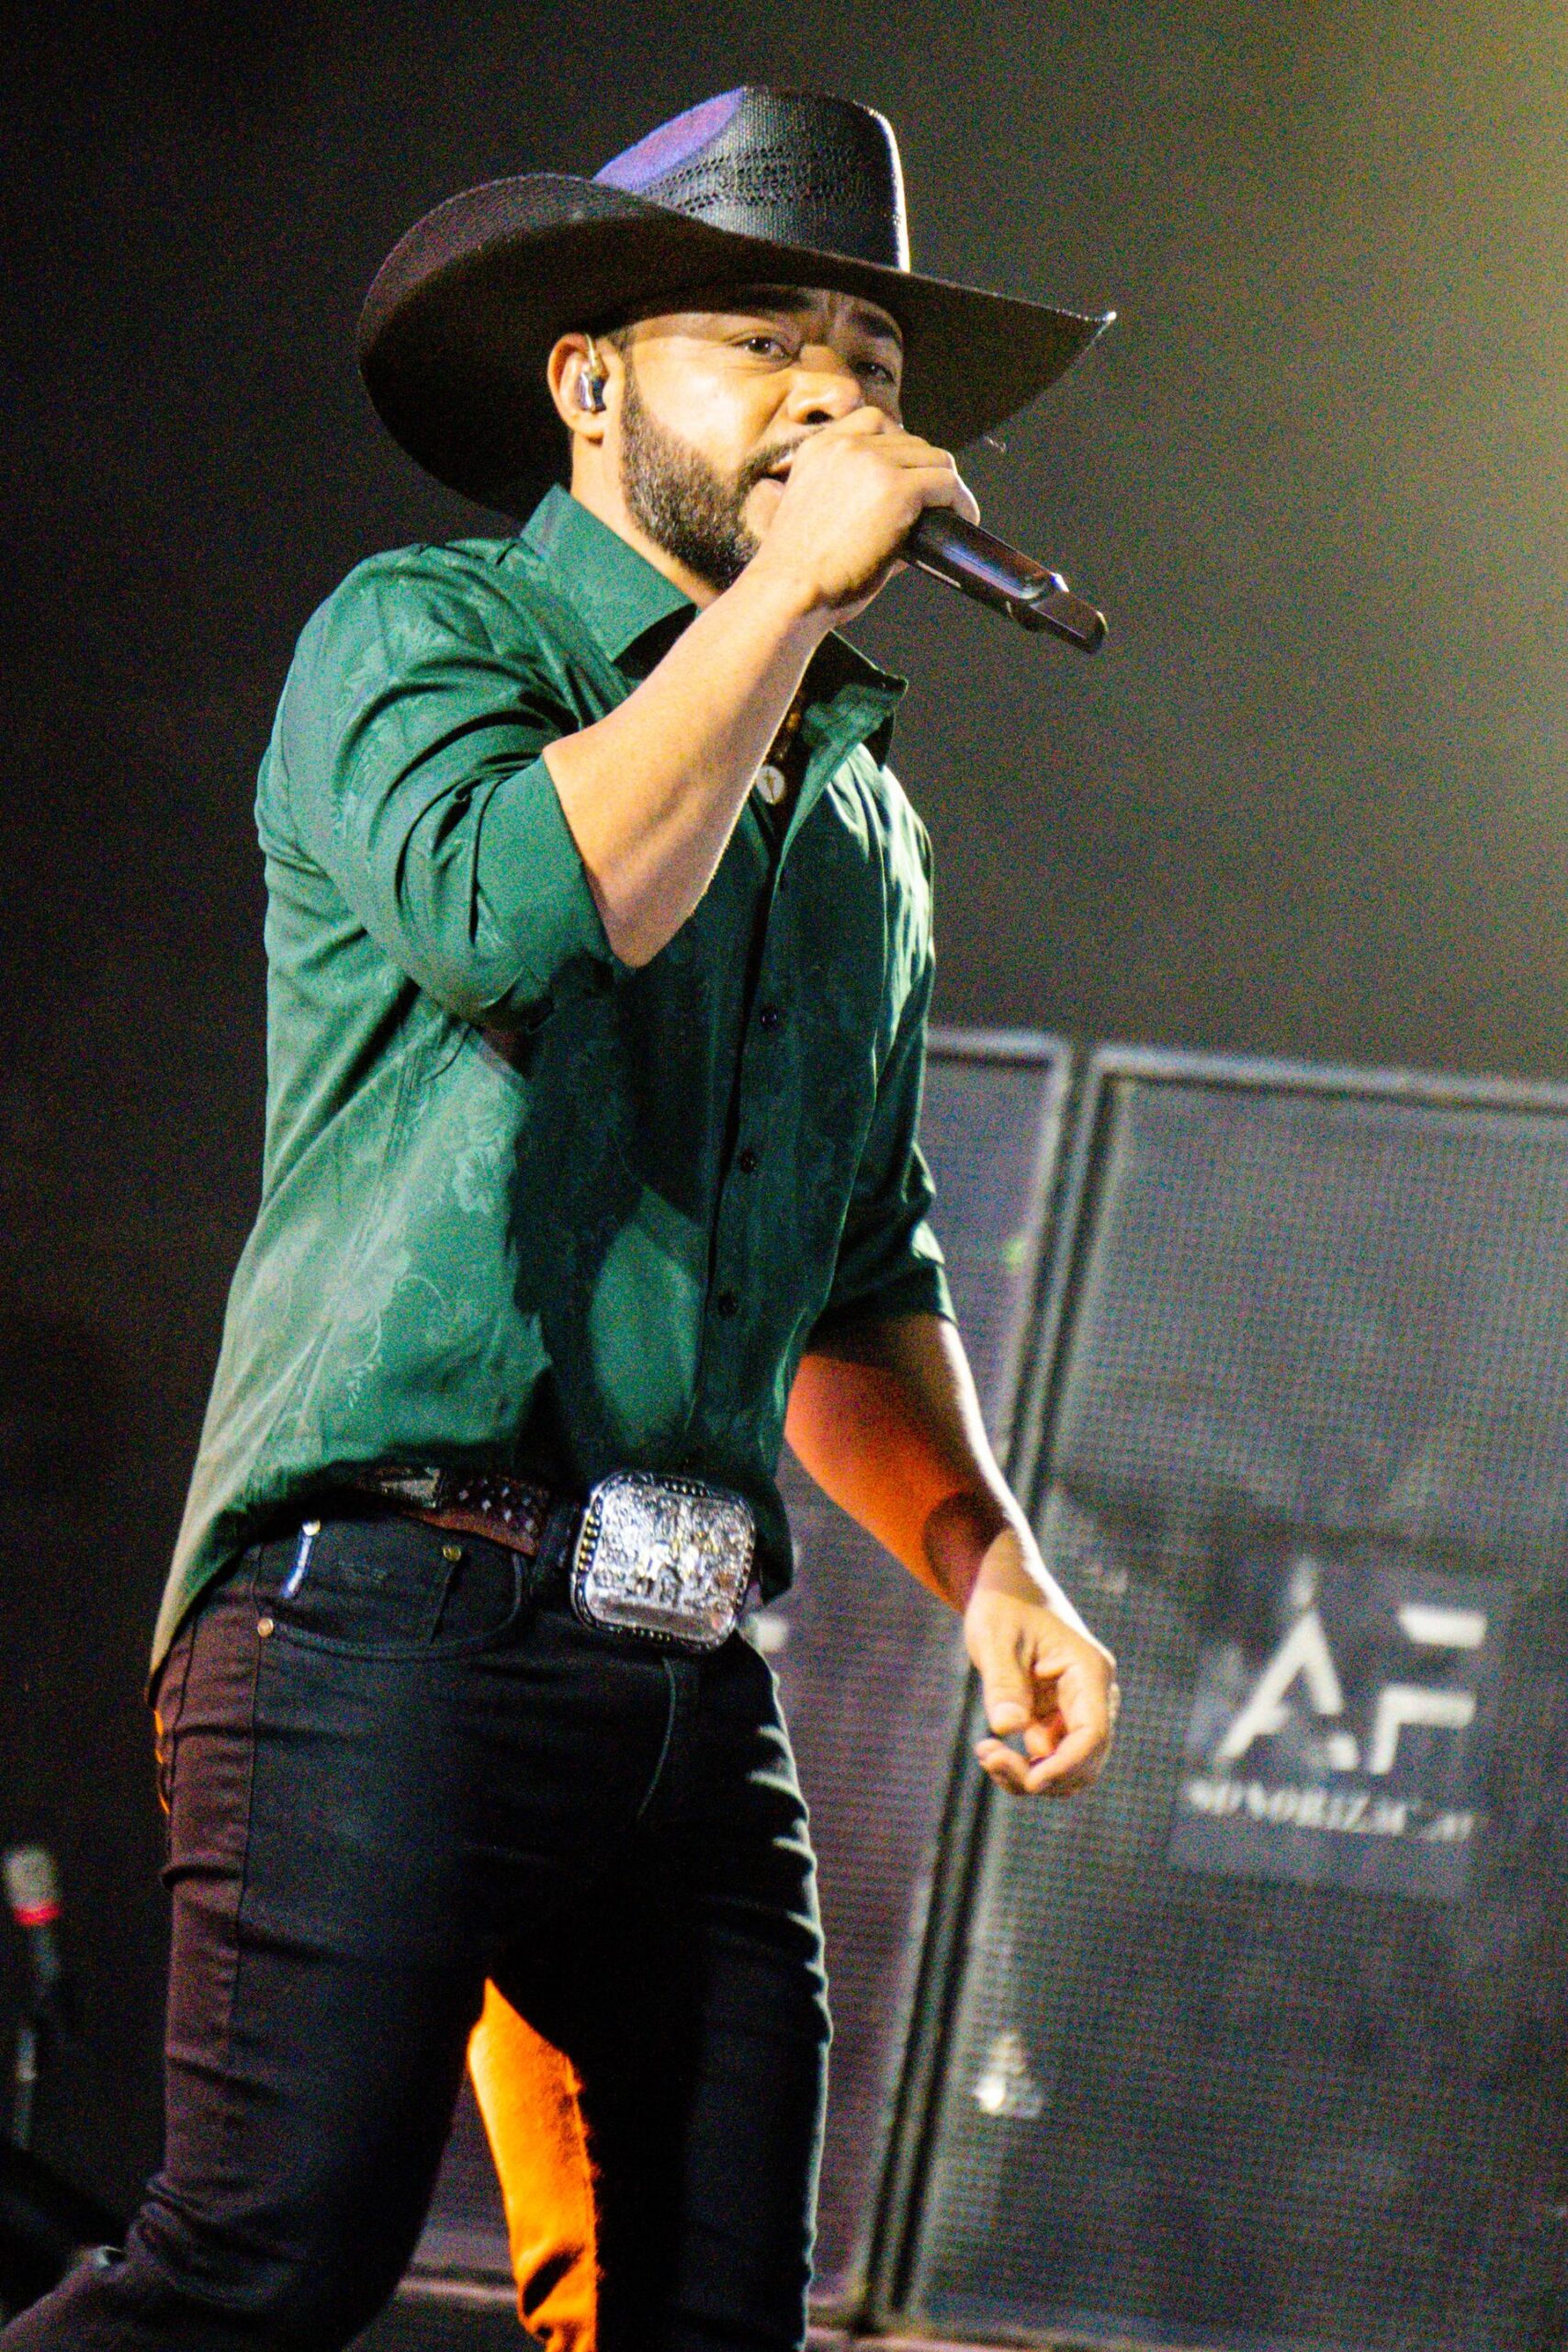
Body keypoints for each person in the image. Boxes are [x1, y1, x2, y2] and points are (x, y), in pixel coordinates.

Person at [4, 86, 1118, 2352]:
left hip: (685, 1667)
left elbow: (856, 1263)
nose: (831, 396)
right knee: (261, 2268)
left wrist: (988, 1560)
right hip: (378, 1608)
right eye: (762, 342)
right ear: (587, 382)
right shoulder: (423, 633)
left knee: (704, 2311)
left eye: (871, 363)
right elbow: (526, 913)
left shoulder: (858, 824)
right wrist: (787, 592)